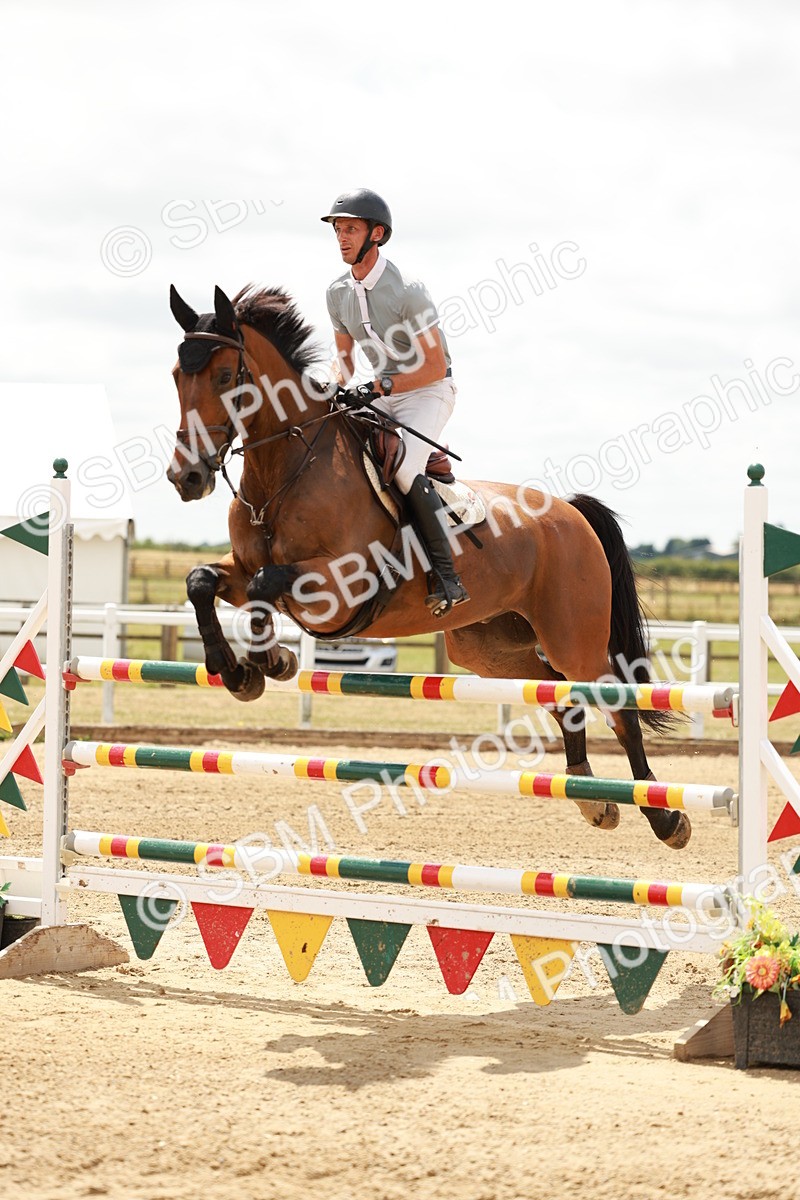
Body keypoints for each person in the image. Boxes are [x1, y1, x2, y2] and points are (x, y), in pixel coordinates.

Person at [321, 188, 470, 617]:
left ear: (377, 234)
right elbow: (345, 362)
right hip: (381, 394)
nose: (342, 237)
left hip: (430, 391)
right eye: (337, 229)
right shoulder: (336, 293)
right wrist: (329, 384)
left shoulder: (408, 290)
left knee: (404, 466)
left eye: (350, 228)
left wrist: (383, 385)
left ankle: (447, 575)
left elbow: (436, 366)